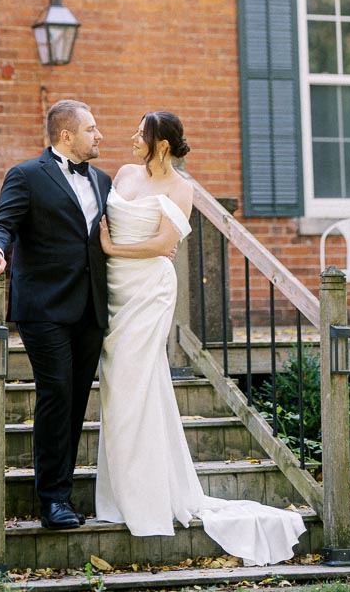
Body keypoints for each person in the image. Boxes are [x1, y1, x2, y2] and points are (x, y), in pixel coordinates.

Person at [95, 111, 307, 566]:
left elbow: (162, 245)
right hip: (114, 290)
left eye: (142, 134)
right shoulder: (125, 173)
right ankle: (123, 489)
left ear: (163, 145)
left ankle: (146, 497)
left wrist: (113, 249)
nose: (133, 139)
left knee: (134, 381)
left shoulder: (180, 188)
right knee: (121, 386)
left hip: (149, 290)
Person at [0, 99, 111, 530]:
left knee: (74, 400)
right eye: (92, 129)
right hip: (44, 307)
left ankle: (63, 491)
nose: (99, 135)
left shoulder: (104, 180)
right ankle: (52, 500)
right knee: (56, 394)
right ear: (66, 135)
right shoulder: (27, 175)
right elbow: (2, 223)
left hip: (90, 306)